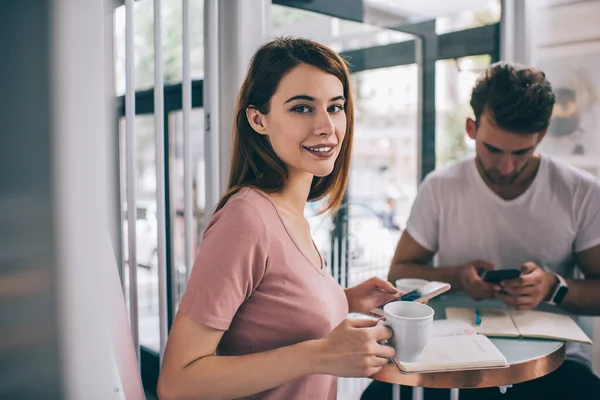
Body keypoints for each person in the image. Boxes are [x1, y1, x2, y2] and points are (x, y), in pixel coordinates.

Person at [157, 37, 404, 400]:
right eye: (302, 108)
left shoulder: (291, 214)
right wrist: (319, 354)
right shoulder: (245, 221)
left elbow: (268, 315)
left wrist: (344, 300)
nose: (327, 126)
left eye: (335, 108)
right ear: (258, 119)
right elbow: (177, 384)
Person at [362, 62, 600, 400]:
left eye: (521, 152)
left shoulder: (581, 191)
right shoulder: (440, 187)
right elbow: (399, 273)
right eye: (493, 150)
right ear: (472, 129)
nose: (506, 167)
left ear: (542, 136)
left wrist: (554, 287)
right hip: (451, 355)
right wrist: (458, 277)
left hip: (554, 364)